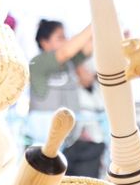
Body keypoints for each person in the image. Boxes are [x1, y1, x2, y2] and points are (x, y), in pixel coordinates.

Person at [24, 18, 94, 151]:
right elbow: (66, 52)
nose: (66, 41)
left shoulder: (69, 63)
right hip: (42, 142)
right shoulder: (38, 62)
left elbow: (88, 47)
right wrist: (95, 21)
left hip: (68, 140)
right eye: (60, 38)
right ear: (44, 42)